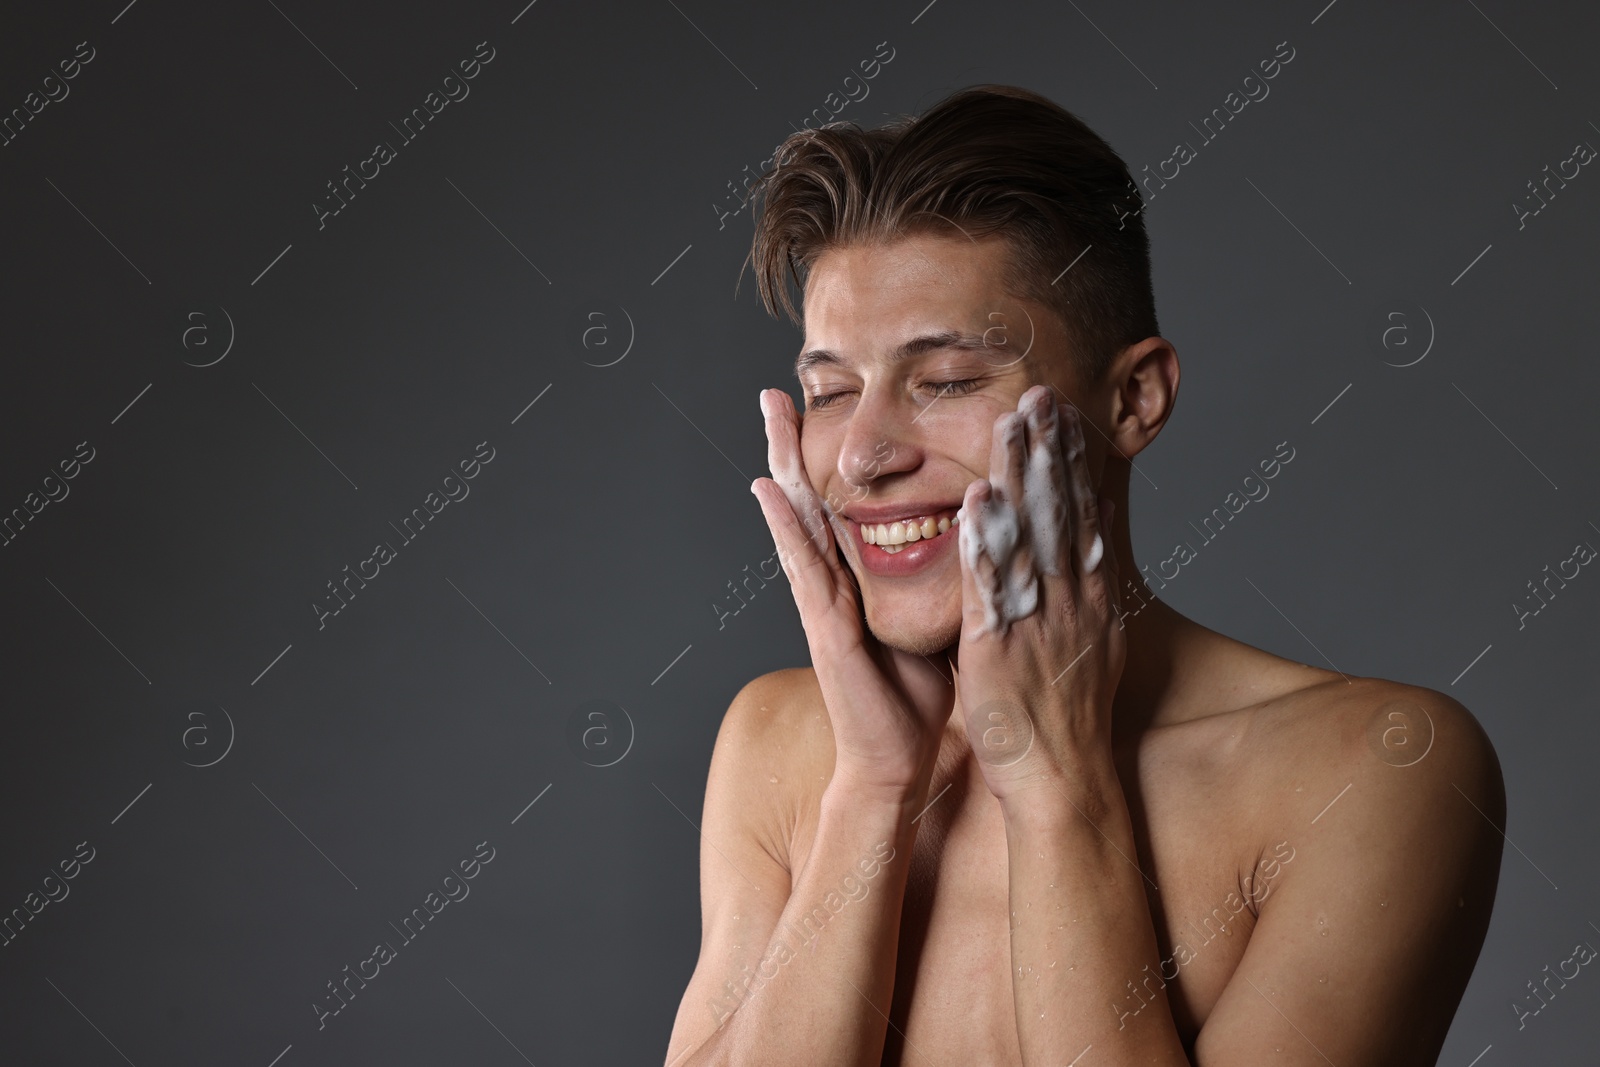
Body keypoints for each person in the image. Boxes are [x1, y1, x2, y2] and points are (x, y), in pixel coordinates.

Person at [662, 84, 1504, 1066]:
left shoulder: (1374, 768)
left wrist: (1058, 786)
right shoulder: (778, 742)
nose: (861, 455)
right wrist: (872, 788)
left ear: (1134, 398)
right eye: (830, 391)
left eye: (945, 381)